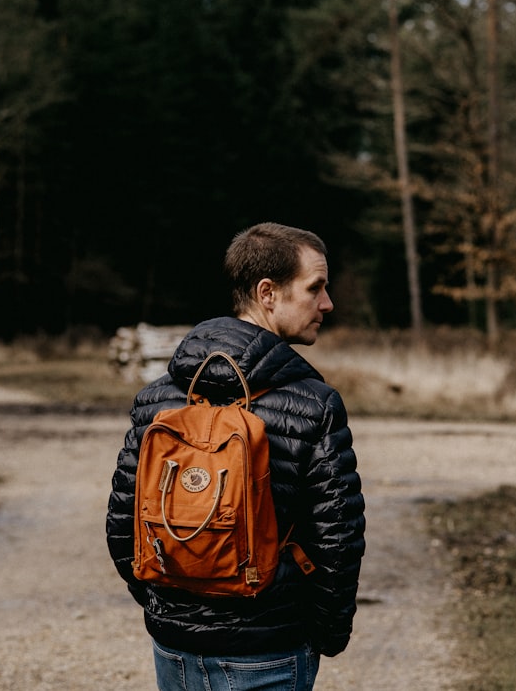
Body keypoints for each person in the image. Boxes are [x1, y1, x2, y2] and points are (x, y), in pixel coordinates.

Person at [106, 222, 366, 691]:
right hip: (270, 651)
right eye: (316, 288)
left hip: (175, 651)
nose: (327, 304)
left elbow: (122, 525)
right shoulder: (314, 404)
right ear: (268, 293)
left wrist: (169, 610)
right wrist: (324, 635)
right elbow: (338, 541)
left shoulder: (157, 398)